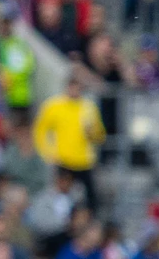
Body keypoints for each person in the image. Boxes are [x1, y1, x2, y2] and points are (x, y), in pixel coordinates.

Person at [33, 71, 105, 213]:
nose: (75, 90)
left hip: (84, 160)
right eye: (72, 86)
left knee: (91, 198)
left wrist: (92, 133)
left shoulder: (88, 108)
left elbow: (100, 136)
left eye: (78, 86)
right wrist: (47, 152)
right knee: (61, 198)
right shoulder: (54, 106)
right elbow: (40, 130)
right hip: (64, 160)